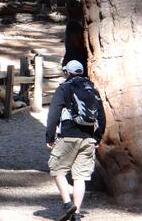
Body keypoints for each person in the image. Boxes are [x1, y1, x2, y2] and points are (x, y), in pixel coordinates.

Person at [46, 60, 105, 221]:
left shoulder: (64, 88)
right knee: (80, 177)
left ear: (67, 72)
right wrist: (97, 137)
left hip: (68, 136)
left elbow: (53, 114)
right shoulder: (92, 89)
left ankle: (67, 204)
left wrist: (49, 137)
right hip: (88, 139)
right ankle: (77, 213)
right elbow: (101, 115)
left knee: (57, 169)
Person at [63, 0, 88, 73]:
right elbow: (77, 43)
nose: (80, 8)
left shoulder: (78, 23)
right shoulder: (72, 24)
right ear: (71, 9)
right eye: (78, 6)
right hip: (74, 60)